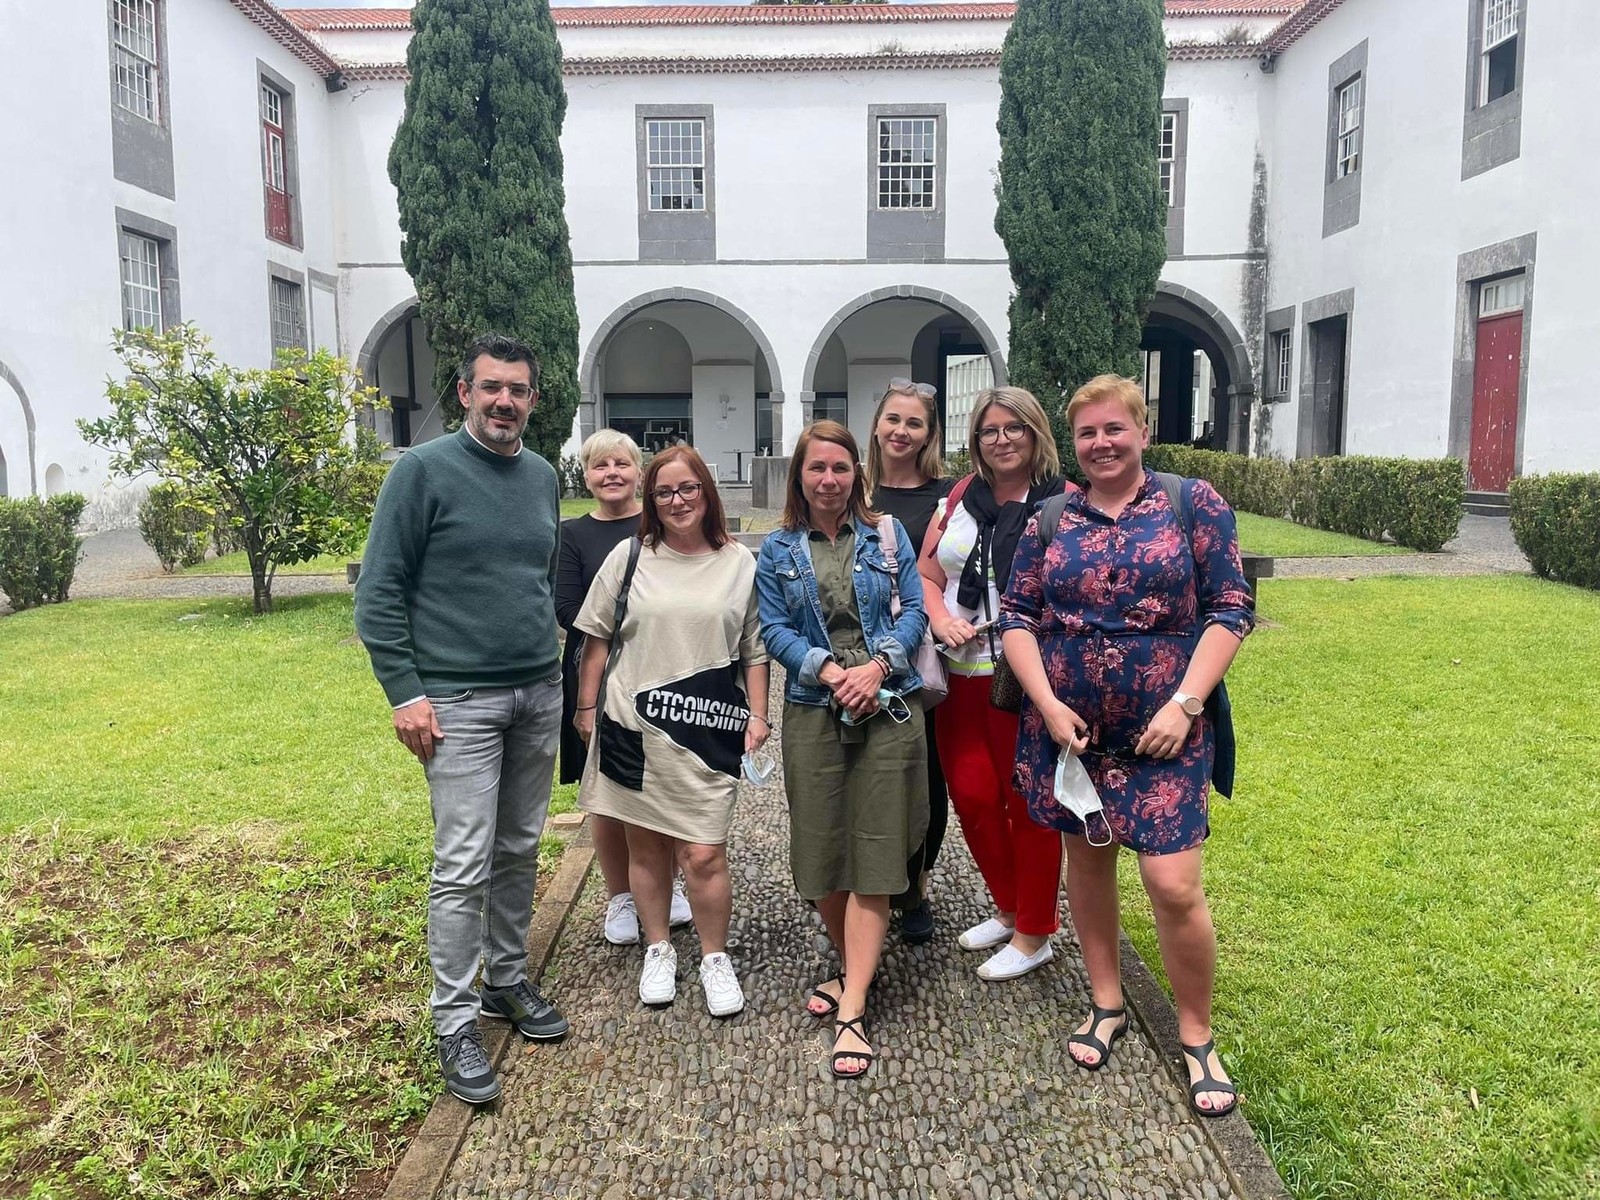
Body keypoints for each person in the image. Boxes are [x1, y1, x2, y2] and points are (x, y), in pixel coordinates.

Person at [998, 374, 1254, 1118]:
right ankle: (1107, 1001)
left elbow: (1231, 607)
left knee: (1173, 885)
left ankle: (1196, 1034)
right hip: (1073, 734)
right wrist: (1047, 705)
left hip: (1165, 732)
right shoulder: (1051, 518)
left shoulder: (1191, 503)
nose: (1102, 443)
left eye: (1115, 428)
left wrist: (1186, 703)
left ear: (1143, 431)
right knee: (1088, 863)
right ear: (1072, 443)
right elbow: (1017, 616)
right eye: (1087, 433)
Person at [355, 332, 570, 1106]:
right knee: (462, 863)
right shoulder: (422, 471)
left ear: (533, 400)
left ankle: (504, 980)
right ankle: (454, 1020)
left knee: (518, 848)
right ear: (465, 392)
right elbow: (378, 590)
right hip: (457, 705)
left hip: (536, 692)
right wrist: (404, 692)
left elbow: (539, 576)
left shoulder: (542, 476)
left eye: (518, 389)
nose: (504, 401)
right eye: (491, 388)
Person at [755, 421, 928, 1080]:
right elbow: (774, 628)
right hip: (813, 709)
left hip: (887, 708)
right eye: (817, 468)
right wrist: (831, 673)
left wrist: (877, 668)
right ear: (799, 476)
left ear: (858, 472)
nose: (829, 479)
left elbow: (914, 612)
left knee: (877, 850)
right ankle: (862, 964)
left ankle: (853, 1002)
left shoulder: (887, 534)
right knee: (821, 853)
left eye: (840, 467)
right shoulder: (777, 549)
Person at [571, 445, 770, 1016]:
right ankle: (657, 947)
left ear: (707, 491)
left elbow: (755, 650)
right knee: (647, 847)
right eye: (663, 492)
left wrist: (758, 715)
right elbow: (596, 639)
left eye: (687, 488)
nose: (677, 500)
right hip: (631, 724)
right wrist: (586, 709)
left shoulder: (739, 562)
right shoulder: (630, 556)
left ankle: (714, 957)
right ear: (651, 500)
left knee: (704, 854)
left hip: (708, 729)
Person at [917, 386, 1068, 982]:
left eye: (1014, 428)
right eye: (989, 430)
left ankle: (1035, 932)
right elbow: (928, 574)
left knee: (1027, 805)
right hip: (959, 673)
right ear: (975, 439)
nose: (1001, 440)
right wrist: (939, 619)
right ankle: (1008, 908)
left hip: (1025, 679)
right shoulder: (960, 497)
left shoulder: (1063, 502)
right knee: (973, 797)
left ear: (1035, 432)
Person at [554, 430, 692, 945]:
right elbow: (566, 607)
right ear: (586, 476)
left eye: (621, 463)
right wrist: (633, 626)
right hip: (596, 673)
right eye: (599, 465)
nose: (611, 473)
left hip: (663, 670)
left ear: (640, 472)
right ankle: (619, 897)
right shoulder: (572, 534)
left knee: (666, 779)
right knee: (608, 792)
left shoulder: (661, 522)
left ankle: (668, 884)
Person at [862, 378, 951, 945]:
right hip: (853, 656)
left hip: (918, 655)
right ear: (877, 425)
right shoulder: (851, 488)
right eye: (893, 419)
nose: (901, 431)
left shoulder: (947, 498)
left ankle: (916, 884)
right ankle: (866, 879)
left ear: (928, 434)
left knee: (925, 773)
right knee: (864, 771)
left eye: (914, 422)